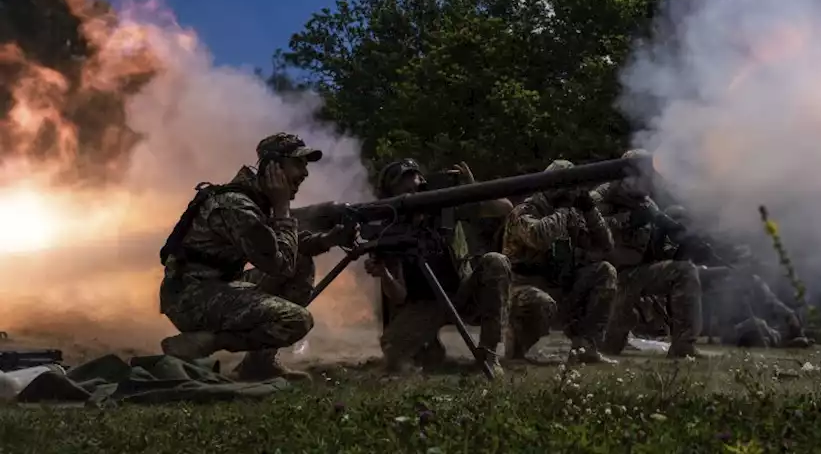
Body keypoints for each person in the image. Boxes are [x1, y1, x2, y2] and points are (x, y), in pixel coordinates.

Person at [157, 133, 355, 381]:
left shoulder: (256, 201)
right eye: (298, 164)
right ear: (273, 166)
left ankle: (259, 364)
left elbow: (282, 247)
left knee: (301, 262)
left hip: (215, 286)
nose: (305, 173)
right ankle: (205, 341)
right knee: (295, 320)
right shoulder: (238, 206)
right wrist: (283, 208)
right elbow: (279, 264)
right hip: (190, 297)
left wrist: (327, 240)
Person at [363, 158, 513, 374]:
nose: (413, 187)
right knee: (394, 353)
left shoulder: (447, 207)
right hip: (426, 304)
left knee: (495, 262)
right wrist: (384, 274)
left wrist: (473, 189)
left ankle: (488, 355)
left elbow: (504, 208)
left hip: (463, 292)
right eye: (403, 185)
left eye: (415, 181)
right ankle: (429, 349)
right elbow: (399, 295)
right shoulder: (389, 231)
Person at [501, 160, 618, 364]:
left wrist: (590, 210)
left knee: (604, 272)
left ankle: (586, 347)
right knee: (540, 302)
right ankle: (520, 348)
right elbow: (539, 237)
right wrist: (562, 210)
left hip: (561, 285)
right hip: (523, 287)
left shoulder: (572, 212)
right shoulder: (526, 209)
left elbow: (606, 245)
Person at [593, 150, 704, 359]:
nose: (648, 181)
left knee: (684, 271)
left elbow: (660, 241)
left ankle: (683, 346)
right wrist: (626, 219)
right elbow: (585, 230)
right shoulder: (601, 197)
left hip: (635, 275)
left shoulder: (646, 204)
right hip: (604, 279)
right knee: (607, 346)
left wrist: (681, 241)